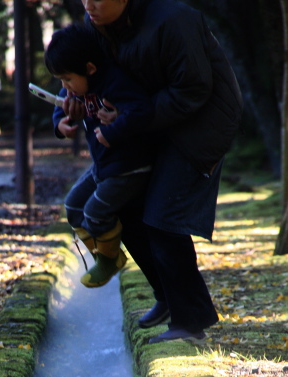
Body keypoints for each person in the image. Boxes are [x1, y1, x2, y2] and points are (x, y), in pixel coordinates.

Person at [60, 0, 243, 342]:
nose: (89, 5)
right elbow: (81, 71)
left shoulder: (175, 20)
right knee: (122, 202)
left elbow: (193, 88)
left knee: (162, 217)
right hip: (142, 127)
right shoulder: (94, 25)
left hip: (198, 124)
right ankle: (169, 298)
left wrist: (129, 118)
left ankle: (190, 323)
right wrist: (70, 102)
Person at [45, 23, 156, 287]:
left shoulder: (114, 82)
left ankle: (109, 262)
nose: (65, 86)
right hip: (102, 165)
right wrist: (61, 123)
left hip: (127, 167)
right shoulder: (76, 87)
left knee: (95, 213)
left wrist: (114, 131)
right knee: (73, 207)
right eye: (61, 80)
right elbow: (62, 101)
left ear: (90, 69)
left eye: (68, 79)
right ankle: (106, 254)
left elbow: (142, 112)